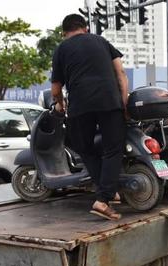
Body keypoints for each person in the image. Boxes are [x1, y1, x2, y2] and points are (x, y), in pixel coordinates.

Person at [51, 14, 129, 220]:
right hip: (109, 101)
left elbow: (55, 89)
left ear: (64, 33)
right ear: (85, 28)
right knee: (113, 149)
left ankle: (103, 198)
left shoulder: (61, 49)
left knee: (83, 147)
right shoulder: (102, 41)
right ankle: (107, 194)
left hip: (80, 106)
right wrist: (123, 103)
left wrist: (60, 103)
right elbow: (121, 73)